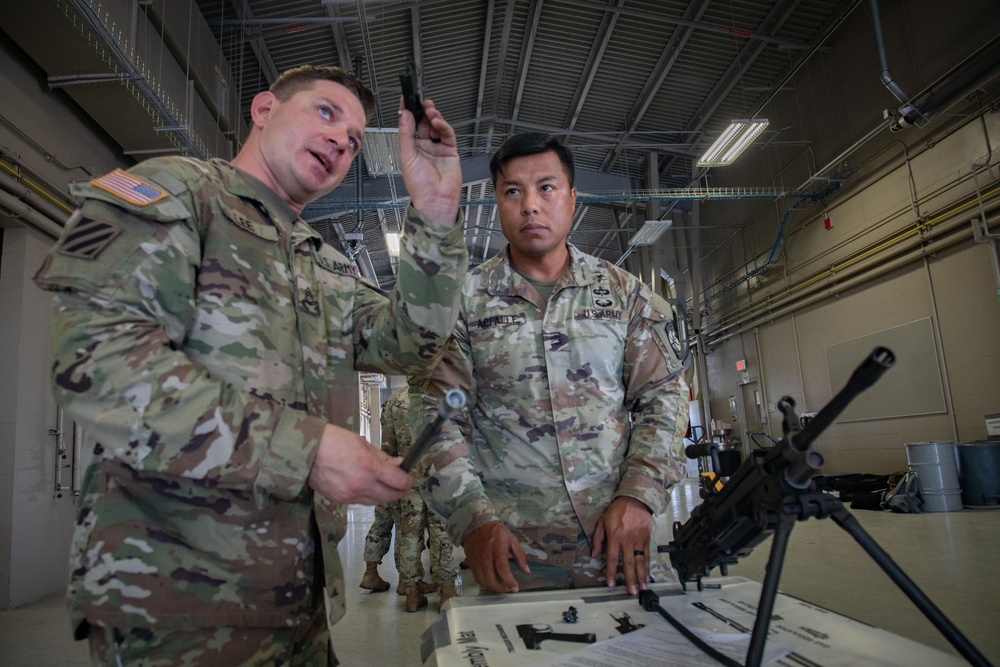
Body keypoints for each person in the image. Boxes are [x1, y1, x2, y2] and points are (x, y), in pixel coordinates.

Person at [33, 64, 466, 666]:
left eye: (357, 138)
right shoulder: (180, 195)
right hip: (180, 601)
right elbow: (96, 359)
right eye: (325, 112)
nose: (343, 138)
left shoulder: (320, 263)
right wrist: (308, 449)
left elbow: (410, 345)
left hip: (298, 601)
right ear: (264, 110)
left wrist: (437, 215)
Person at [410, 132, 688, 599]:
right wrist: (473, 519)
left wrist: (640, 494)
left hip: (619, 548)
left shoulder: (624, 295)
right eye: (513, 191)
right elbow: (437, 418)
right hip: (512, 556)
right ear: (497, 202)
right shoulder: (461, 303)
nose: (530, 206)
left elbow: (664, 397)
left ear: (573, 198)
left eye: (546, 188)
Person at [379, 385, 458, 612]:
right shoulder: (443, 396)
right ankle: (446, 591)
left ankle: (412, 593)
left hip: (409, 476)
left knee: (409, 534)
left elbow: (388, 446)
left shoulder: (395, 400)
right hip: (440, 476)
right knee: (441, 534)